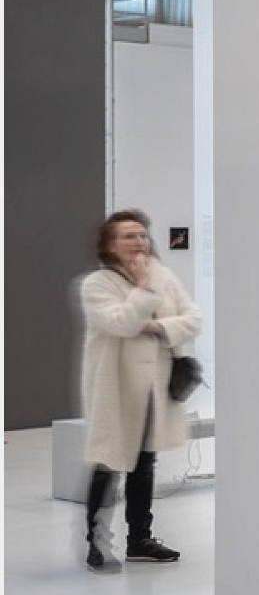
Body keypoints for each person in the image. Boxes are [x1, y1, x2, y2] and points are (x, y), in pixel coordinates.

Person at [76, 210, 200, 571]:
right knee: (108, 462)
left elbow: (193, 319)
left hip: (153, 390)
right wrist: (143, 290)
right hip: (116, 389)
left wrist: (156, 326)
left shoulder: (165, 275)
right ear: (110, 244)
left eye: (143, 235)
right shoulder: (98, 284)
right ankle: (97, 541)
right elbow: (122, 323)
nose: (139, 241)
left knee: (144, 464)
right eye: (129, 236)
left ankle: (140, 539)